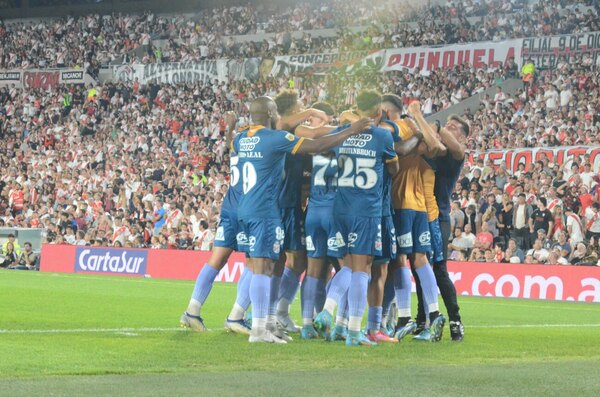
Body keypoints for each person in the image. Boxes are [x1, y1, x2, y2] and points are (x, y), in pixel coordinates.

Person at [233, 96, 370, 344]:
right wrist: (351, 130)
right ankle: (259, 330)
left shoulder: (240, 139)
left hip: (245, 208)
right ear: (272, 113)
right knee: (264, 268)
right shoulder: (275, 138)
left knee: (261, 267)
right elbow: (316, 146)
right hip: (266, 210)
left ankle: (264, 323)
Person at [313, 90, 399, 347]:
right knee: (363, 269)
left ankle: (329, 312)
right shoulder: (383, 135)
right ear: (378, 112)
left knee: (348, 266)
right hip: (366, 209)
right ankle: (353, 332)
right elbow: (393, 168)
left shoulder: (343, 132)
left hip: (340, 208)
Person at [424, 114, 470, 341]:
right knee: (419, 268)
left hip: (439, 216)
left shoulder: (457, 154)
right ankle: (423, 319)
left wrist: (437, 126)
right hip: (417, 212)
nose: (447, 129)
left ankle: (455, 320)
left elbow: (454, 146)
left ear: (461, 136)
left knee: (438, 269)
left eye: (453, 128)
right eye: (447, 126)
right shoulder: (435, 149)